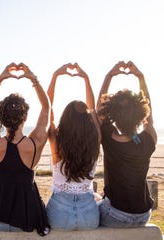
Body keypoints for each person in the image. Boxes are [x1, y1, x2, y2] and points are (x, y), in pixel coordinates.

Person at [0, 63, 51, 236]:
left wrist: (0, 79)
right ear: (25, 117)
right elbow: (47, 108)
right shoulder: (35, 143)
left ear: (1, 120)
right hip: (26, 221)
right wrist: (33, 79)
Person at [97, 61, 157, 227]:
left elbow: (99, 110)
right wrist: (140, 77)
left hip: (117, 215)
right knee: (98, 197)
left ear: (113, 114)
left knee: (92, 203)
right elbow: (150, 117)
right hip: (143, 215)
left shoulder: (109, 139)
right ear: (141, 114)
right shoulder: (148, 140)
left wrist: (109, 76)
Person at [45, 63, 102, 230]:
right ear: (89, 122)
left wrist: (55, 76)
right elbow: (92, 110)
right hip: (89, 217)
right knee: (98, 197)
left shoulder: (57, 141)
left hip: (59, 216)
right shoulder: (95, 140)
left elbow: (47, 110)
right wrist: (86, 78)